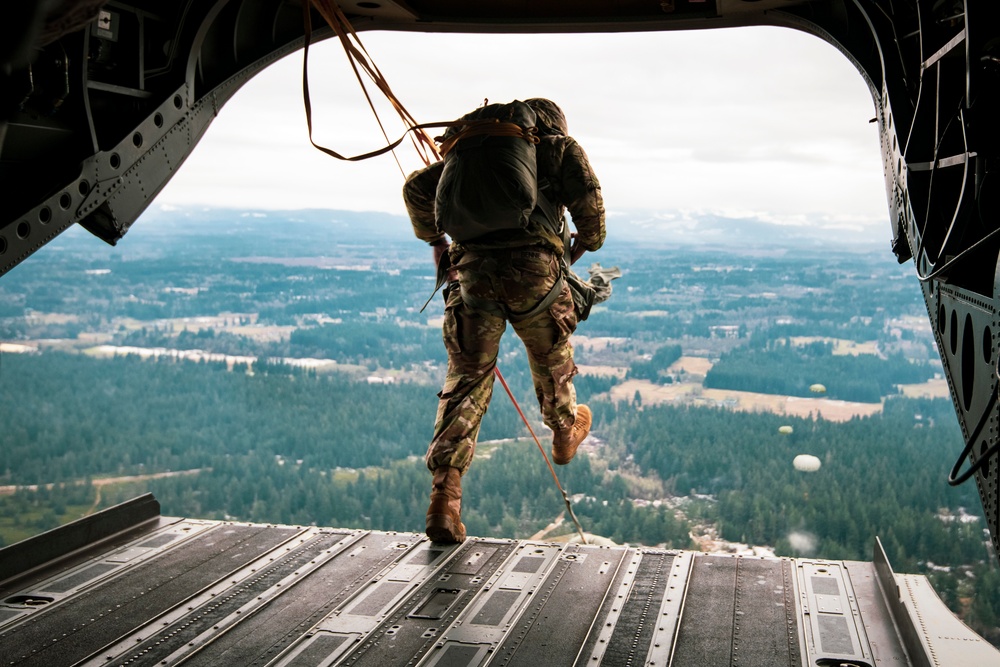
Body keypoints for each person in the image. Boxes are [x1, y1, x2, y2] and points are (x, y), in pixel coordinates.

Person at [402, 98, 606, 544]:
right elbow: (594, 224)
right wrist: (571, 251)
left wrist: (439, 244)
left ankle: (445, 497)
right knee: (550, 359)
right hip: (537, 279)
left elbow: (417, 189)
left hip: (472, 280)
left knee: (466, 380)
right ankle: (564, 430)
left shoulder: (467, 157)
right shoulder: (558, 150)